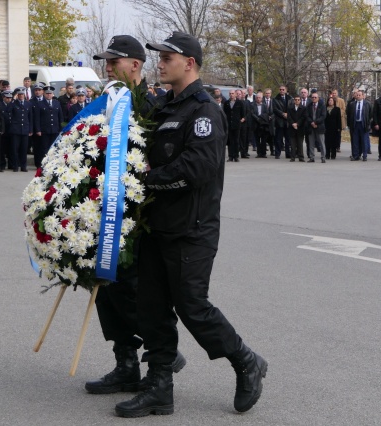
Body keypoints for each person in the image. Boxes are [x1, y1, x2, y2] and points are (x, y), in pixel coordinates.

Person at [114, 31, 267, 418]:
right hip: (156, 226)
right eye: (159, 57)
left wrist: (146, 180)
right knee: (152, 309)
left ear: (190, 64)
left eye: (167, 58)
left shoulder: (204, 111)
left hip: (191, 229)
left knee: (192, 306)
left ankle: (246, 361)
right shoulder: (164, 109)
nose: (160, 63)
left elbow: (198, 168)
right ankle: (159, 387)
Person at [87, 34, 186, 397]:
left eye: (114, 61)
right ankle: (125, 363)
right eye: (106, 62)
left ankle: (160, 354)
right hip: (102, 210)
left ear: (134, 64)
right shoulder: (106, 102)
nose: (108, 67)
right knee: (103, 287)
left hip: (139, 215)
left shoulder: (154, 104)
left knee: (130, 287)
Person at [34, 86, 63, 169]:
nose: (49, 95)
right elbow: (37, 118)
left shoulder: (56, 103)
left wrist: (61, 129)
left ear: (53, 94)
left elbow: (60, 117)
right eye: (47, 93)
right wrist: (38, 130)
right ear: (44, 94)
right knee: (44, 148)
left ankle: (53, 163)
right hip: (44, 130)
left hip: (55, 129)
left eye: (50, 93)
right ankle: (44, 164)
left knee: (53, 147)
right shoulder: (39, 104)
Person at [6, 87, 32, 172]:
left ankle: (23, 166)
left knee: (24, 149)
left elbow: (30, 117)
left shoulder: (28, 104)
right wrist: (13, 99)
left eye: (22, 94)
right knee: (15, 149)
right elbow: (8, 110)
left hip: (25, 129)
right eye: (19, 94)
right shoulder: (13, 103)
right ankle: (15, 166)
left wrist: (30, 129)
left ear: (24, 95)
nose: (21, 96)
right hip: (15, 130)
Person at [346, 89, 371, 161]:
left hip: (363, 124)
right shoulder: (352, 104)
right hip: (355, 124)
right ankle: (355, 155)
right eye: (357, 95)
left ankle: (365, 155)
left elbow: (370, 115)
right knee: (355, 141)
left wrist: (368, 124)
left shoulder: (367, 104)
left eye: (359, 95)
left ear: (363, 96)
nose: (358, 96)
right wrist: (349, 125)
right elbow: (349, 115)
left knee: (364, 141)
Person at [223, 89, 244, 162]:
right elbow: (224, 113)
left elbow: (243, 113)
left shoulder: (239, 103)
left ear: (235, 94)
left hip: (237, 124)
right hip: (229, 124)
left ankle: (236, 156)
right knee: (230, 141)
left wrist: (242, 119)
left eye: (232, 93)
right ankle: (230, 156)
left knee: (236, 141)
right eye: (230, 93)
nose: (231, 95)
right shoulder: (226, 103)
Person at [306, 92, 326, 163]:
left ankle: (323, 157)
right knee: (311, 143)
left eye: (315, 97)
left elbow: (323, 116)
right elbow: (307, 116)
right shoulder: (309, 106)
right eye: (312, 97)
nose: (314, 98)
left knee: (321, 143)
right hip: (311, 127)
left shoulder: (322, 105)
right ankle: (312, 157)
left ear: (318, 98)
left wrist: (316, 122)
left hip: (319, 126)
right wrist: (311, 122)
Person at [273, 85, 292, 159]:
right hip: (279, 121)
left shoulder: (290, 99)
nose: (281, 91)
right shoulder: (275, 99)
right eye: (280, 89)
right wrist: (283, 114)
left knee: (288, 139)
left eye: (283, 89)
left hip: (288, 121)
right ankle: (277, 153)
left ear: (286, 90)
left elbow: (292, 108)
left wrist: (288, 114)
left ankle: (288, 153)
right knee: (278, 139)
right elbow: (275, 109)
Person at [251, 91, 271, 158]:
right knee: (257, 139)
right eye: (257, 97)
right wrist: (257, 118)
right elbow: (252, 113)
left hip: (263, 124)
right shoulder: (253, 105)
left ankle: (264, 153)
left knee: (263, 140)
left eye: (259, 97)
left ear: (262, 98)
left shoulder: (264, 105)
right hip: (256, 124)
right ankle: (259, 153)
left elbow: (266, 113)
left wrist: (261, 118)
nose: (258, 99)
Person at [287, 95, 307, 162]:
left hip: (300, 128)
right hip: (292, 128)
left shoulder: (303, 108)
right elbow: (289, 117)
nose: (297, 101)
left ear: (300, 101)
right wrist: (293, 123)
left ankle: (301, 157)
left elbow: (303, 117)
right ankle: (292, 157)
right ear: (294, 100)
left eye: (298, 100)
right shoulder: (290, 108)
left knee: (300, 143)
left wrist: (297, 123)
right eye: (295, 99)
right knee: (292, 144)